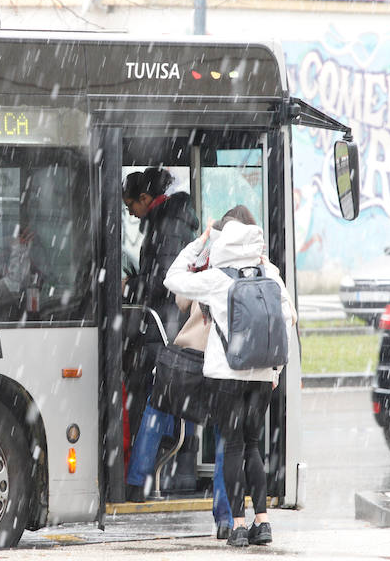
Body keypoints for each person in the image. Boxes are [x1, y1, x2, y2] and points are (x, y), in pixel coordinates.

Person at [163, 206, 296, 547]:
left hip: (227, 373)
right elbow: (288, 319)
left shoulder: (218, 278)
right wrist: (276, 370)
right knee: (253, 446)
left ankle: (237, 525)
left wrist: (201, 242)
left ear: (225, 239)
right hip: (263, 374)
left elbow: (172, 278)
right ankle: (262, 522)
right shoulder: (270, 274)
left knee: (232, 445)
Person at [121, 167, 198, 502]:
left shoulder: (166, 226)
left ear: (145, 198)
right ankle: (180, 476)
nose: (130, 213)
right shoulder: (171, 221)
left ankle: (139, 480)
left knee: (158, 401)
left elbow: (163, 281)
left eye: (130, 206)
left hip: (164, 329)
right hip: (173, 327)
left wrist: (132, 284)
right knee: (181, 402)